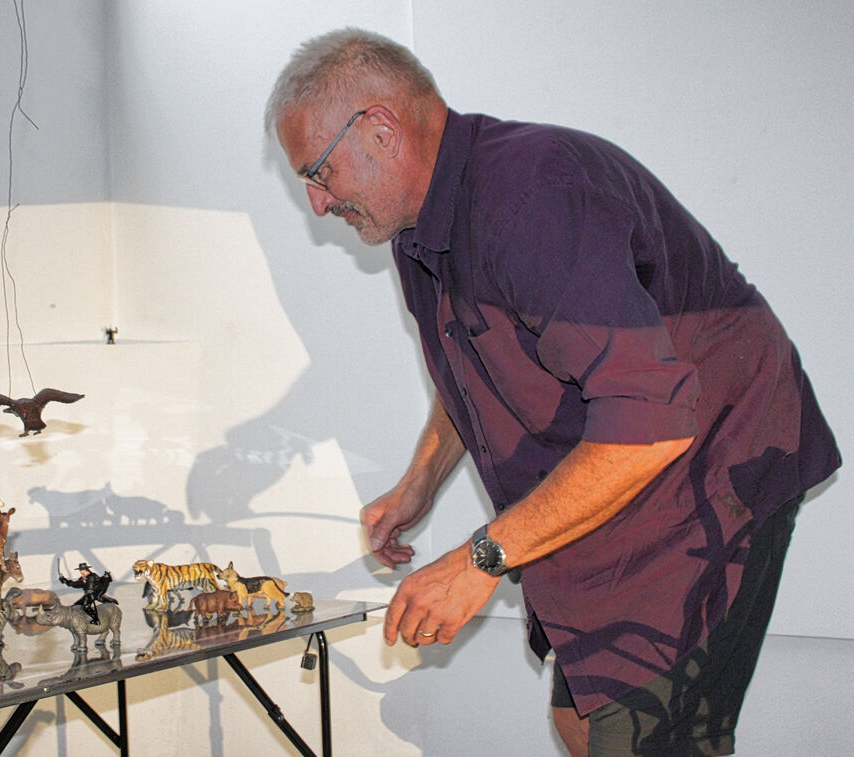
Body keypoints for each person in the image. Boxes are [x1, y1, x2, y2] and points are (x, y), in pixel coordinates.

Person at [267, 28, 840, 756]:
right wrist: (421, 481)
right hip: (624, 460)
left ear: (380, 128)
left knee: (649, 743)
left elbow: (652, 422)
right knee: (580, 722)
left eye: (318, 173)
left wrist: (479, 559)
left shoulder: (532, 199)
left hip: (712, 465)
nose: (318, 203)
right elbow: (472, 365)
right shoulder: (418, 228)